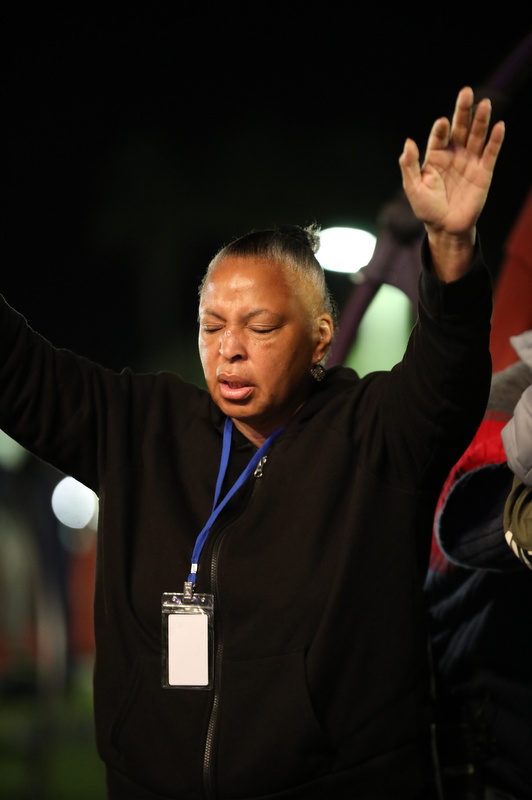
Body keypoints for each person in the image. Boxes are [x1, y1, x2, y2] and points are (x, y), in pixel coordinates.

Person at [0, 88, 504, 799]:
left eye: (260, 327)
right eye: (212, 327)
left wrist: (450, 248)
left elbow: (448, 373)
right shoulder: (140, 426)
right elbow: (20, 374)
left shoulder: (374, 433)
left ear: (321, 338)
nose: (229, 350)